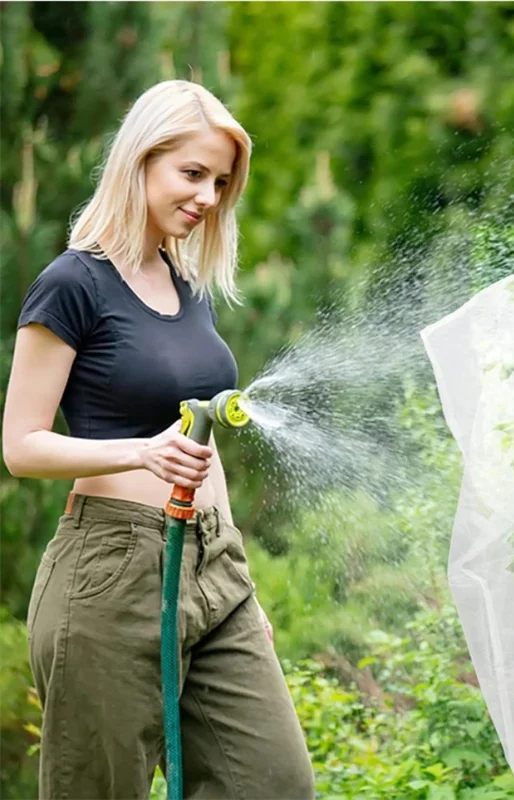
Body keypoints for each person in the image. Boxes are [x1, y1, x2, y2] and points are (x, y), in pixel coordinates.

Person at [2, 80, 316, 799]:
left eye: (221, 182)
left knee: (273, 784)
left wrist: (241, 581)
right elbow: (21, 445)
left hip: (213, 565)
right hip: (110, 571)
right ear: (140, 162)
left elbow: (203, 446)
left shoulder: (187, 287)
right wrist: (139, 450)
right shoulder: (71, 285)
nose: (209, 196)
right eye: (193, 174)